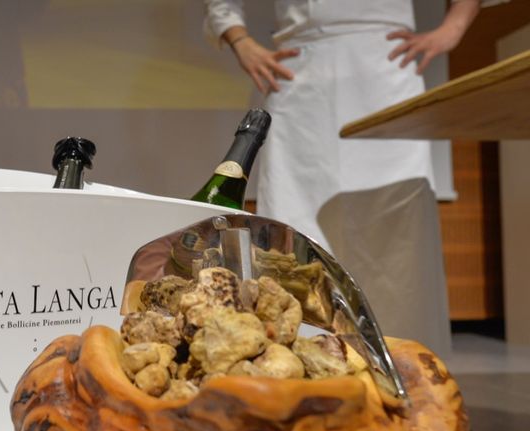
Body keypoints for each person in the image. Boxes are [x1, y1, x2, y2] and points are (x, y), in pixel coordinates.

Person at [203, 0, 502, 355]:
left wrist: (454, 27)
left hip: (385, 70)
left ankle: (408, 365)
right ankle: (303, 363)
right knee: (295, 223)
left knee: (397, 233)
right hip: (299, 74)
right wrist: (239, 40)